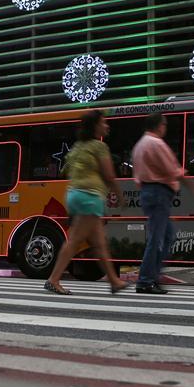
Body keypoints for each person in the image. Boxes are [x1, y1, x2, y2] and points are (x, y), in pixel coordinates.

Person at [44, 109, 127, 295]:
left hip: (75, 195)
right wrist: (120, 195)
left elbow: (66, 170)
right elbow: (109, 175)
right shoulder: (99, 147)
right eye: (104, 122)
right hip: (89, 197)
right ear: (96, 125)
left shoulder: (77, 147)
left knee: (99, 243)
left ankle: (114, 281)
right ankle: (54, 279)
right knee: (74, 241)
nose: (107, 125)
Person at [131, 112, 194, 294]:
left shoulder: (140, 145)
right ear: (158, 125)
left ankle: (151, 277)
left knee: (165, 237)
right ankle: (146, 280)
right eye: (164, 124)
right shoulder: (156, 144)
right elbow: (174, 171)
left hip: (148, 191)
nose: (165, 128)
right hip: (159, 192)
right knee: (158, 239)